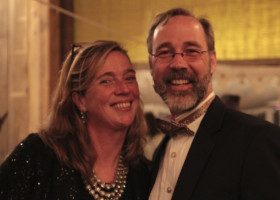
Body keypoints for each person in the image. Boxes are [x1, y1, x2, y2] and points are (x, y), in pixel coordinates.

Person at [146, 8, 280, 200]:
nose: (178, 63)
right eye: (164, 52)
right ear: (151, 66)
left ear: (212, 61)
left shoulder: (258, 140)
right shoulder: (161, 150)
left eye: (191, 51)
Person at [0, 40, 151, 200]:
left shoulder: (143, 174)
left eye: (129, 78)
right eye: (106, 81)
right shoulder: (38, 157)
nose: (124, 89)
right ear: (80, 100)